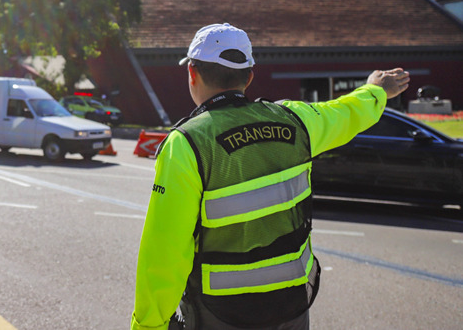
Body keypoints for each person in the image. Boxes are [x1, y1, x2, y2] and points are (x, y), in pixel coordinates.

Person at [131, 23, 409, 330]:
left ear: (192, 74)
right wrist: (376, 89)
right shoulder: (296, 121)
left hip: (221, 313)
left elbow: (164, 251)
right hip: (291, 306)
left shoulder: (187, 144)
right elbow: (345, 113)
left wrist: (148, 325)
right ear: (249, 76)